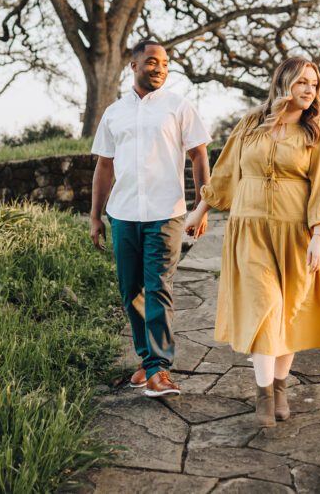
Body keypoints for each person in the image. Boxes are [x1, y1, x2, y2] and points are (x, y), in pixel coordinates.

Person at [183, 56, 320, 427]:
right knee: (266, 307)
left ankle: (280, 387)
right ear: (283, 83)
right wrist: (200, 210)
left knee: (288, 312)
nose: (310, 90)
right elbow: (227, 171)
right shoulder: (251, 124)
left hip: (297, 232)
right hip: (250, 230)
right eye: (302, 82)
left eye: (314, 84)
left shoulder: (318, 131)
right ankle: (263, 396)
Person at [90, 40, 211, 398]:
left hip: (166, 214)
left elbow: (199, 158)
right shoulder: (114, 113)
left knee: (157, 287)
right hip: (123, 215)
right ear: (134, 65)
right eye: (152, 62)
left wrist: (202, 206)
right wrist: (96, 216)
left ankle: (159, 369)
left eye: (165, 63)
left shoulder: (179, 107)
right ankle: (147, 361)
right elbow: (104, 166)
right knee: (132, 292)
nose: (159, 68)